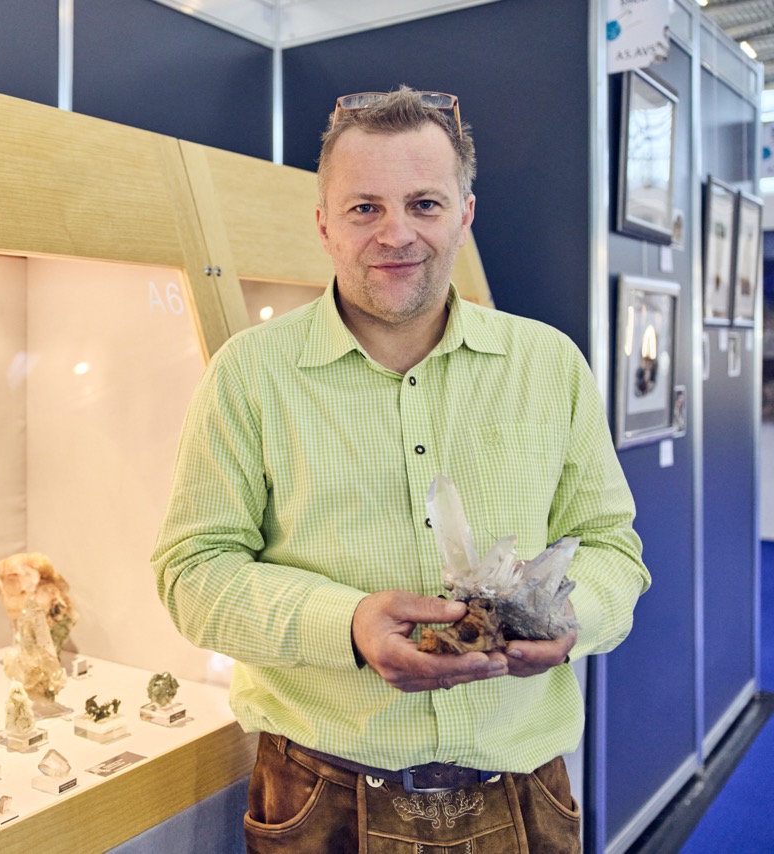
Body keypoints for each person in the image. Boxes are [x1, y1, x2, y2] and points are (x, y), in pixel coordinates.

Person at [151, 87, 649, 853]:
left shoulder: (550, 365)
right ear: (325, 224)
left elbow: (613, 548)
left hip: (523, 789)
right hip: (318, 795)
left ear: (464, 215)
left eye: (424, 204)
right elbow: (193, 572)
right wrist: (346, 625)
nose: (396, 233)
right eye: (364, 208)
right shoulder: (247, 376)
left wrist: (567, 618)